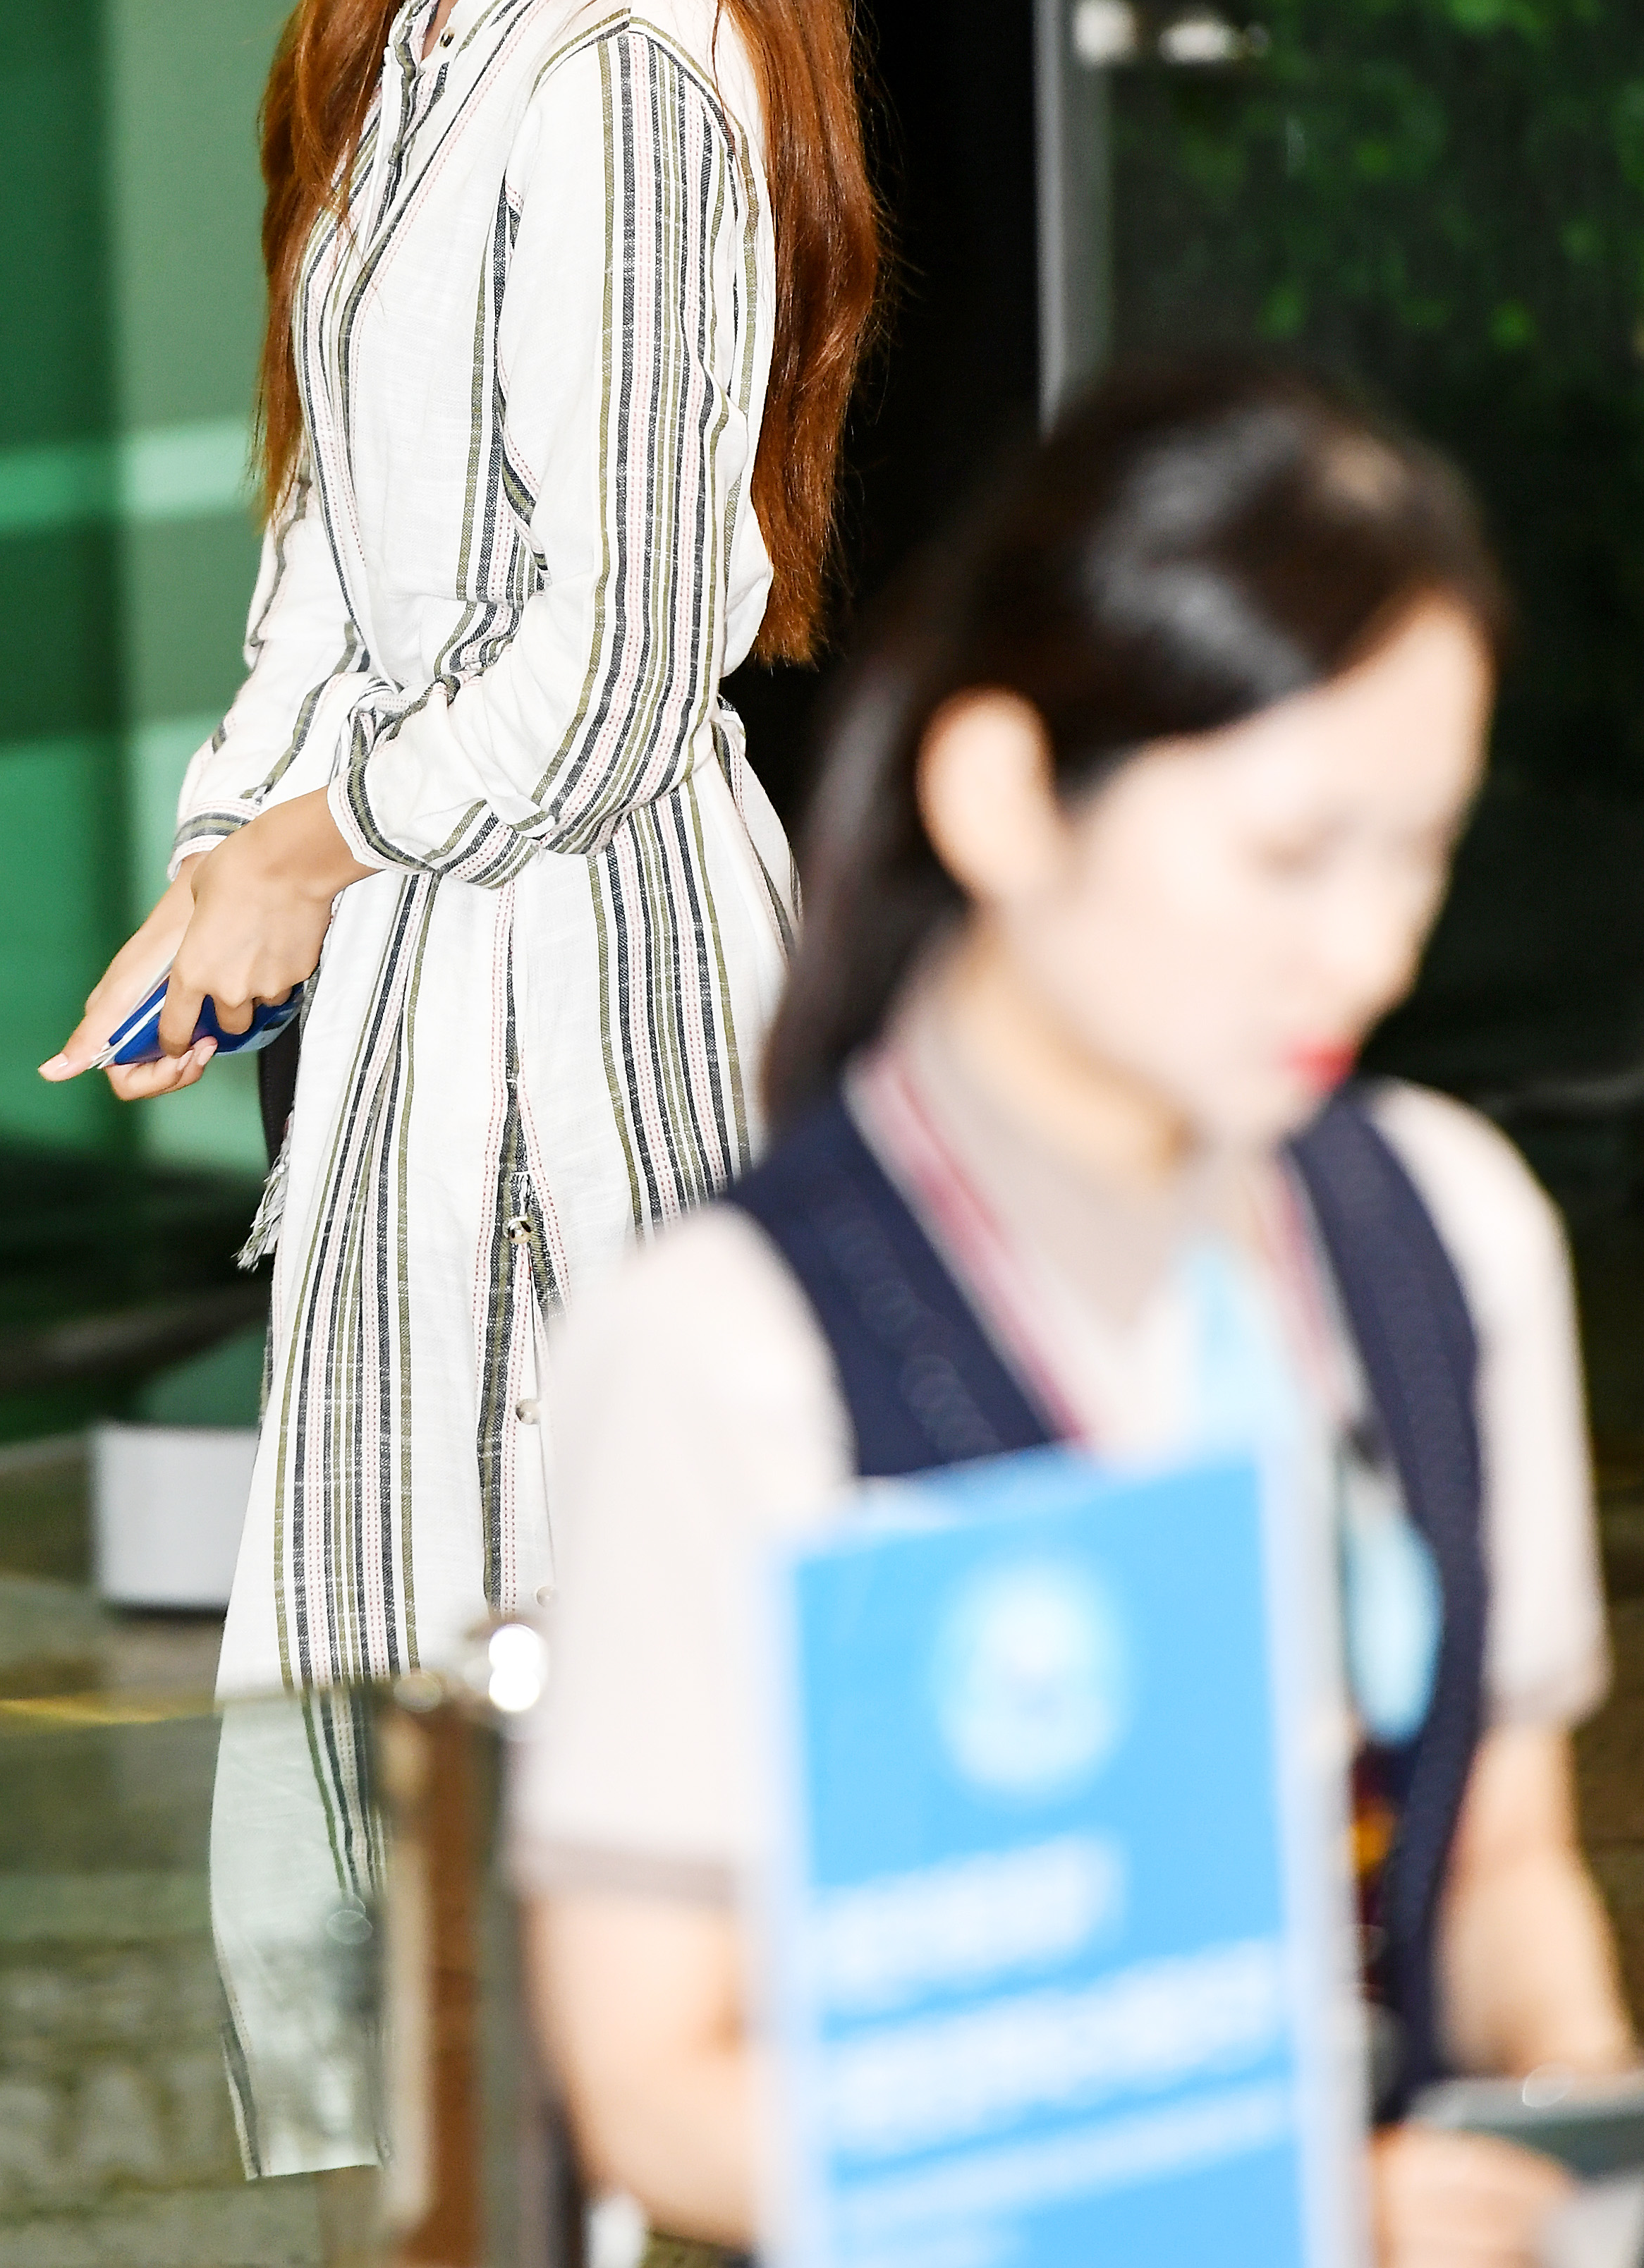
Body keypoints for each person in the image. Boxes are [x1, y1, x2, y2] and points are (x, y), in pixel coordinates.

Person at [513, 362, 1635, 2268]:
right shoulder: (737, 1346)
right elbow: (657, 2082)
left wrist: (1572, 2152)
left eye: (1420, 850)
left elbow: (1501, 1866)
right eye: (1289, 854)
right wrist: (1278, 2213)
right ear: (1003, 794)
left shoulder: (1446, 1227)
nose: (1369, 948)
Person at [42, 0, 877, 1698]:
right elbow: (338, 538)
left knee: (635, 1706)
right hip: (426, 943)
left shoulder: (626, 65)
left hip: (588, 979)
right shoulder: (425, 29)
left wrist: (304, 852)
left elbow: (610, 668)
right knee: (411, 1697)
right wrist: (228, 863)